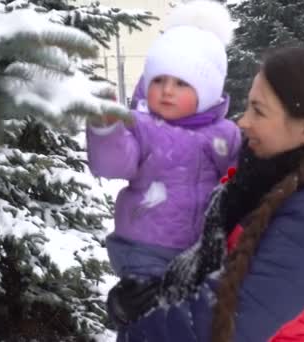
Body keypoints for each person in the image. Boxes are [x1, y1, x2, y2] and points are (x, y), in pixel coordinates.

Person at [107, 46, 304, 342]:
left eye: (258, 111)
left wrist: (137, 324)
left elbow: (215, 328)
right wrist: (153, 295)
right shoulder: (263, 175)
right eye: (248, 106)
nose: (243, 122)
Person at [86, 0, 241, 281]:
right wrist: (107, 130)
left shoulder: (226, 134)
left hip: (202, 249)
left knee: (190, 316)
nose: (167, 91)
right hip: (144, 248)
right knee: (151, 314)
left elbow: (238, 179)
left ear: (207, 90)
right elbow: (112, 165)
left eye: (182, 83)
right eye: (158, 80)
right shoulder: (142, 126)